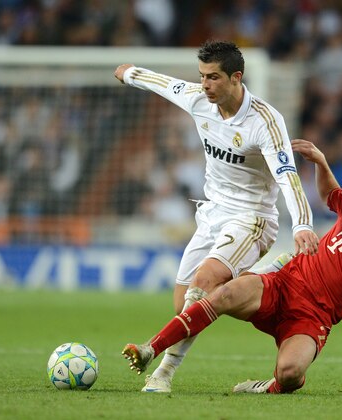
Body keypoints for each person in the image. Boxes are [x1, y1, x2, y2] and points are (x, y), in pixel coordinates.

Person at [122, 139, 342, 398]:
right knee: (223, 293)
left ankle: (270, 387)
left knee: (289, 373)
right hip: (282, 284)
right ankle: (152, 349)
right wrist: (321, 163)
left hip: (313, 318)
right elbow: (330, 195)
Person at [114, 40, 319, 393]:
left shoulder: (266, 122)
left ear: (236, 77)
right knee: (185, 307)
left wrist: (302, 224)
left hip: (252, 219)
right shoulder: (198, 98)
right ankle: (265, 276)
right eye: (202, 76)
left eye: (213, 78)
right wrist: (131, 74)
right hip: (211, 215)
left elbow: (288, 177)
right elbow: (164, 85)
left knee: (205, 282)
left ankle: (161, 374)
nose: (205, 85)